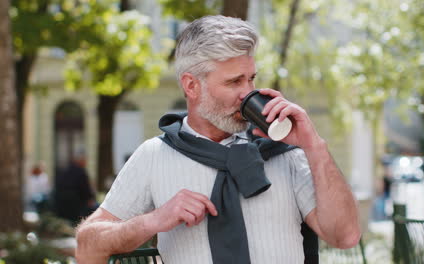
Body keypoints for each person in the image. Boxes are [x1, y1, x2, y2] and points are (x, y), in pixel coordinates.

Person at [75, 15, 360, 264]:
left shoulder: (284, 153)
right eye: (234, 82)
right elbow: (87, 248)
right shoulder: (154, 156)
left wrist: (314, 146)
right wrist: (153, 220)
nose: (247, 93)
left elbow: (345, 236)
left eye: (251, 79)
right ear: (191, 85)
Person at [54, 151, 97, 224]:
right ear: (81, 161)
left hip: (61, 208)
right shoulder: (81, 172)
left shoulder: (64, 170)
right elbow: (87, 193)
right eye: (85, 160)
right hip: (77, 209)